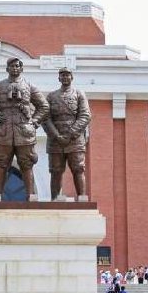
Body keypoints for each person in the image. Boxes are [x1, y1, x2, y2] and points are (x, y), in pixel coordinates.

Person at [0, 57, 50, 199]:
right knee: (1, 164)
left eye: (17, 66)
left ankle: (30, 195)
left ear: (21, 69)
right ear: (7, 69)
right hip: (3, 131)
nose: (15, 68)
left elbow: (44, 106)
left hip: (24, 132)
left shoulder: (29, 86)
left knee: (26, 164)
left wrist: (34, 121)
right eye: (12, 66)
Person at [42, 67, 91, 199]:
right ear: (59, 78)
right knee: (55, 171)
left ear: (72, 77)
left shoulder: (79, 94)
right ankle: (55, 197)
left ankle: (82, 197)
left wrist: (70, 134)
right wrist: (56, 135)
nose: (65, 77)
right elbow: (45, 117)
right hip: (55, 141)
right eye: (62, 75)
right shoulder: (51, 96)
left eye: (67, 75)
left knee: (78, 168)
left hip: (75, 140)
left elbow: (85, 116)